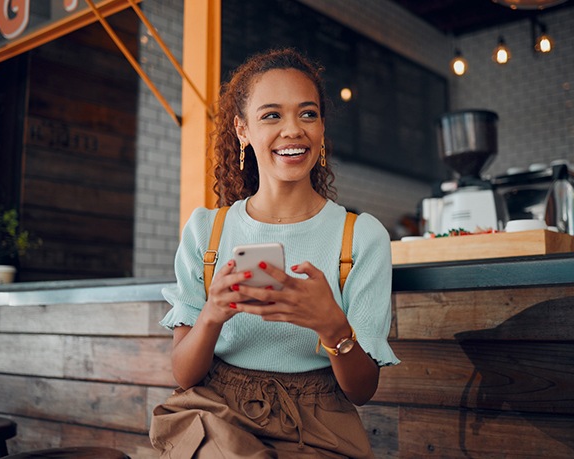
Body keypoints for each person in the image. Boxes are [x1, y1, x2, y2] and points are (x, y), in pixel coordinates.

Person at [149, 48, 399, 458]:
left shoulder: (361, 236)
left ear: (321, 128)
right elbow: (184, 374)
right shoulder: (205, 232)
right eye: (271, 115)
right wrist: (212, 313)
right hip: (218, 417)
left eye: (307, 114)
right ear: (242, 130)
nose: (293, 130)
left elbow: (361, 392)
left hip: (320, 428)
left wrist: (333, 328)